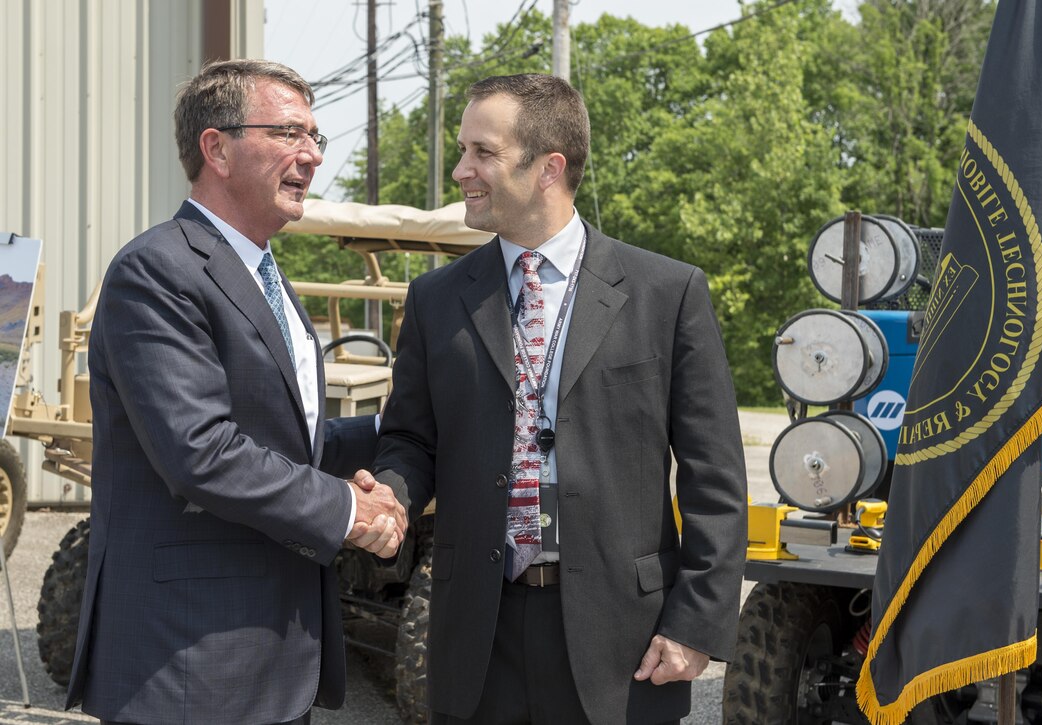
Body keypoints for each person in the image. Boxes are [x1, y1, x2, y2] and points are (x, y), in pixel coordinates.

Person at [372, 73, 748, 724]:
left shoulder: (668, 293)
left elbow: (716, 477)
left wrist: (696, 622)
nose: (461, 170)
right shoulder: (437, 300)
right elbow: (410, 439)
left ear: (549, 167)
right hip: (476, 636)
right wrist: (389, 494)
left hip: (626, 640)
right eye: (462, 150)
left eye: (481, 152)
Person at [66, 59, 406, 725]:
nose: (310, 155)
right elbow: (203, 452)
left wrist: (392, 433)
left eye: (315, 137)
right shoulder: (157, 270)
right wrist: (350, 510)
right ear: (215, 147)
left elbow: (282, 439)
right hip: (190, 663)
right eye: (287, 133)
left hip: (271, 663)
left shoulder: (266, 276)